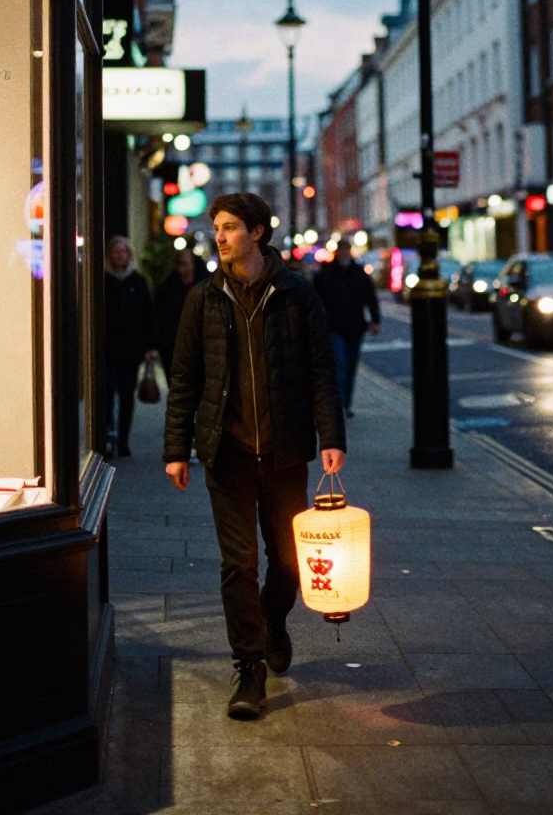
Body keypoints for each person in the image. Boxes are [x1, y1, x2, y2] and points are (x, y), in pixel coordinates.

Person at [164, 192, 345, 720]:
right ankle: (250, 668)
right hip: (229, 454)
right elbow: (185, 378)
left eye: (228, 228)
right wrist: (177, 448)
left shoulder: (297, 295)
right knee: (238, 564)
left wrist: (331, 435)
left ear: (258, 233)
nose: (218, 237)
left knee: (288, 561)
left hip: (287, 453)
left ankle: (272, 621)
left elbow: (321, 372)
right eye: (216, 227)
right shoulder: (203, 298)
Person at [313, 238, 380, 418]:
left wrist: (375, 320)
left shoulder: (359, 274)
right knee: (340, 365)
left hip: (355, 327)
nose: (344, 254)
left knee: (350, 367)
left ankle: (345, 404)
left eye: (346, 250)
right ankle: (339, 404)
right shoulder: (326, 274)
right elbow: (315, 299)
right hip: (333, 327)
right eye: (341, 250)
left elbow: (370, 297)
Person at [104, 235, 156, 457]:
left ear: (128, 254)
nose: (119, 255)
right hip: (106, 348)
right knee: (106, 395)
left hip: (131, 349)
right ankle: (107, 436)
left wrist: (149, 346)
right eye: (116, 251)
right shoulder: (103, 281)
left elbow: (148, 315)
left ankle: (123, 440)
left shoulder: (137, 281)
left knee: (126, 396)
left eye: (123, 252)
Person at [155, 247, 207, 386]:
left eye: (187, 263)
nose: (184, 267)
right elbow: (160, 319)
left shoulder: (205, 287)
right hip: (175, 347)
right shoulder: (166, 289)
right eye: (181, 263)